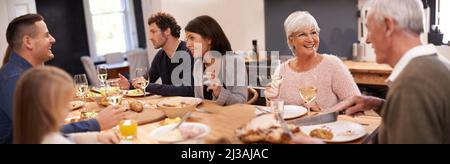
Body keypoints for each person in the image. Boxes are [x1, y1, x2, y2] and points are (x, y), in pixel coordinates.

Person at [334, 0, 450, 144]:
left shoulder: (410, 84)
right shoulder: (438, 66)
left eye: (369, 29)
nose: (367, 39)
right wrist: (377, 104)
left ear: (388, 26)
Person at [0, 14, 125, 144]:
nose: (53, 39)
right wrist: (96, 123)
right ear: (28, 42)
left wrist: (95, 135)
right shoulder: (14, 80)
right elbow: (42, 132)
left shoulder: (24, 74)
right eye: (46, 35)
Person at [264, 11, 360, 111]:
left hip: (324, 126)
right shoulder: (281, 70)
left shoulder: (332, 64)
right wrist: (270, 98)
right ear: (291, 40)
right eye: (302, 34)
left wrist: (322, 112)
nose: (310, 39)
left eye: (313, 33)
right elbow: (275, 111)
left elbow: (356, 102)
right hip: (291, 126)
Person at [14, 66, 119, 144]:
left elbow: (69, 137)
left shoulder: (36, 134)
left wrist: (97, 137)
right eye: (65, 103)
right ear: (49, 109)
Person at [118, 12, 194, 97]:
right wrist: (129, 84)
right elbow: (148, 80)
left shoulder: (188, 52)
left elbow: (188, 90)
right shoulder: (160, 56)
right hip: (169, 106)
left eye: (153, 32)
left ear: (167, 31)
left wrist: (148, 86)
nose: (150, 37)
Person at [184, 15, 247, 106]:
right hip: (207, 118)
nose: (187, 44)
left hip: (230, 118)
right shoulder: (198, 64)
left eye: (192, 38)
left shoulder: (235, 62)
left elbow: (241, 102)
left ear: (209, 39)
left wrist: (219, 91)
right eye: (187, 39)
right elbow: (199, 101)